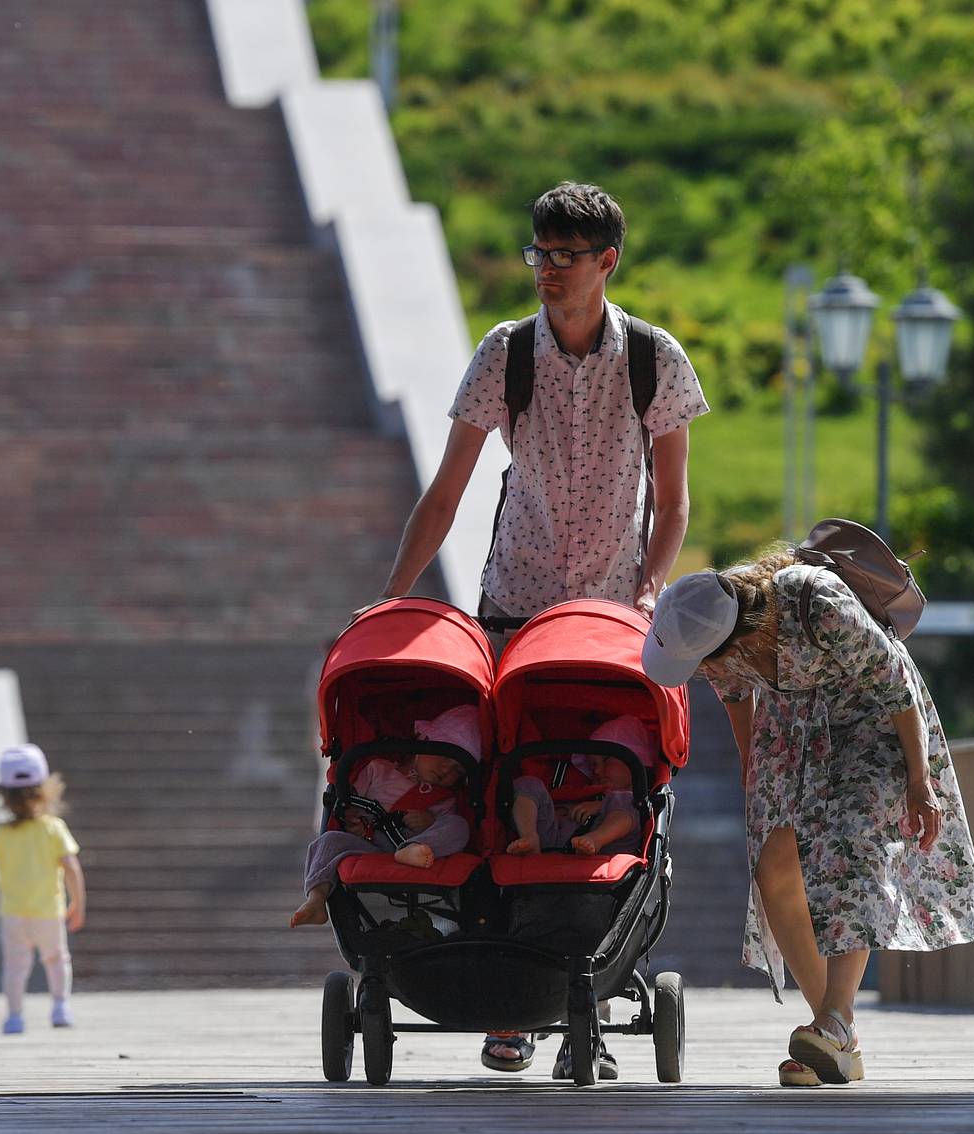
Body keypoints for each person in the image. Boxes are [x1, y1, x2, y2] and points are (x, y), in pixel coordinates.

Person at [370, 180, 710, 1075]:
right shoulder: (505, 353)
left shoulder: (654, 359)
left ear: (608, 263)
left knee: (604, 785)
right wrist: (392, 600)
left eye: (566, 257)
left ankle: (587, 985)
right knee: (506, 789)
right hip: (514, 603)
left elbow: (672, 504)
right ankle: (511, 1003)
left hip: (606, 615)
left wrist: (647, 590)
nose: (547, 272)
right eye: (539, 254)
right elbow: (446, 491)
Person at [641, 551, 974, 1087]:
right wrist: (748, 763)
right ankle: (833, 1032)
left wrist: (920, 784)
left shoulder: (816, 603)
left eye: (704, 662)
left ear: (737, 637)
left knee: (850, 855)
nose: (703, 673)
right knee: (773, 868)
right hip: (791, 728)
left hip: (870, 723)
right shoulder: (721, 640)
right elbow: (733, 689)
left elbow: (895, 684)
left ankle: (830, 1022)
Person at [289, 706, 479, 929]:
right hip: (369, 842)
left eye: (457, 770)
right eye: (444, 757)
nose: (446, 770)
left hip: (420, 850)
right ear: (422, 739)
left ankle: (413, 848)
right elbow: (350, 802)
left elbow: (447, 830)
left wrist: (430, 822)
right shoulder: (377, 769)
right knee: (327, 841)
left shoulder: (444, 799)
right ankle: (316, 899)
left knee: (459, 826)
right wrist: (353, 821)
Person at [0, 743, 86, 1035]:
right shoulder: (53, 828)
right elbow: (71, 867)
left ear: (2, 795)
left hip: (13, 913)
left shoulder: (1, 833)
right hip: (48, 911)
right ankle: (60, 1007)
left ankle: (14, 1017)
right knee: (55, 959)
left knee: (15, 967)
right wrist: (78, 902)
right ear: (45, 790)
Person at [506, 715, 655, 857]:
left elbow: (628, 806)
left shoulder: (639, 798)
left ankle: (596, 839)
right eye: (592, 765)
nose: (596, 770)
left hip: (609, 845)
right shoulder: (586, 789)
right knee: (528, 784)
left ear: (637, 762)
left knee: (627, 801)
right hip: (554, 841)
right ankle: (530, 837)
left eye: (606, 760)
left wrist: (601, 805)